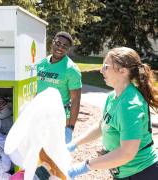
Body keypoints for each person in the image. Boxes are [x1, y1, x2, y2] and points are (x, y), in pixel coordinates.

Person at [67, 47, 158, 180]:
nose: (101, 70)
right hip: (124, 173)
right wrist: (74, 144)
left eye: (106, 67)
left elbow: (126, 153)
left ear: (123, 71)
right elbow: (102, 125)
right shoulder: (113, 96)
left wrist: (84, 167)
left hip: (141, 174)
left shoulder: (130, 105)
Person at [36, 31, 82, 144]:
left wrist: (70, 128)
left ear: (68, 49)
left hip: (59, 119)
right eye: (58, 43)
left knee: (54, 157)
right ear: (52, 43)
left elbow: (75, 100)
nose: (60, 48)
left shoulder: (72, 70)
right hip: (39, 116)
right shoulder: (41, 64)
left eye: (64, 46)